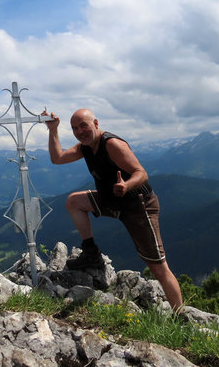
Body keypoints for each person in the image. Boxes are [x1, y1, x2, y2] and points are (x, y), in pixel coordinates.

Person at [43, 108, 183, 312]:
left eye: (84, 125)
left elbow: (141, 173)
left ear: (96, 123)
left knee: (158, 267)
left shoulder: (112, 144)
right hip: (112, 199)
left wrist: (126, 186)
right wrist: (53, 130)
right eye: (74, 128)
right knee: (74, 202)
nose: (80, 131)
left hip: (138, 205)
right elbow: (57, 158)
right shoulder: (86, 147)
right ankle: (91, 252)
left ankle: (181, 318)